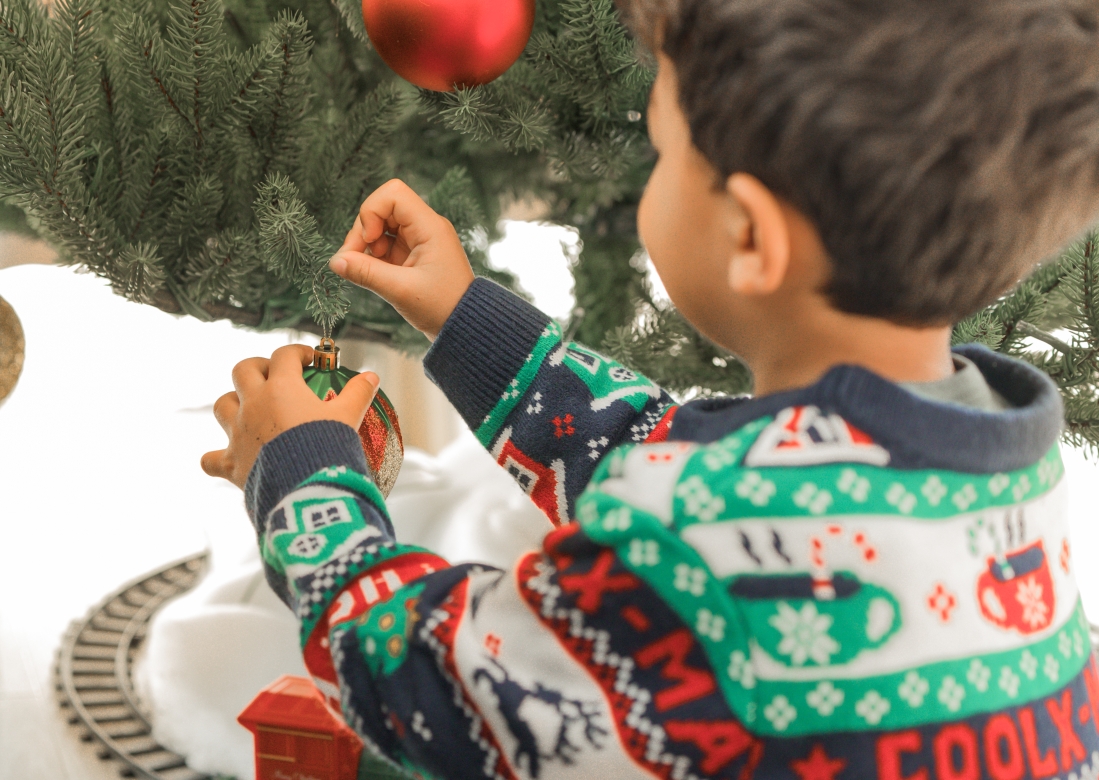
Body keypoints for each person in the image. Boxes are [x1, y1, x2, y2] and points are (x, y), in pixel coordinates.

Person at [201, 1, 1099, 776]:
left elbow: (424, 681)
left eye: (661, 149)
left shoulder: (700, 543)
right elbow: (679, 459)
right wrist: (470, 322)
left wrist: (303, 471)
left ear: (749, 235)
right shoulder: (998, 470)